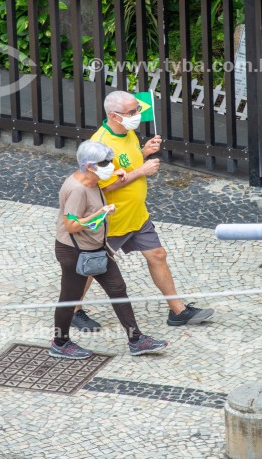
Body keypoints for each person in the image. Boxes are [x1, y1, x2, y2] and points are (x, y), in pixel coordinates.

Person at [71, 90, 215, 331]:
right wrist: (142, 171)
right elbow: (107, 184)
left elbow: (127, 161)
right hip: (112, 219)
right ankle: (72, 311)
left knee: (157, 254)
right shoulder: (100, 145)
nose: (137, 115)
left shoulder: (127, 132)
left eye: (137, 109)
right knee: (92, 266)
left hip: (137, 215)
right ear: (114, 116)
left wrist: (144, 152)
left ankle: (177, 311)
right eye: (131, 112)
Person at [50, 139, 167, 359]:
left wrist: (121, 172)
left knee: (118, 289)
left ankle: (136, 339)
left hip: (95, 248)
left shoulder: (94, 181)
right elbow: (71, 226)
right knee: (70, 297)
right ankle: (60, 342)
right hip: (74, 252)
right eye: (105, 163)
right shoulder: (77, 189)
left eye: (110, 161)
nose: (110, 166)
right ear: (89, 167)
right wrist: (101, 213)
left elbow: (109, 181)